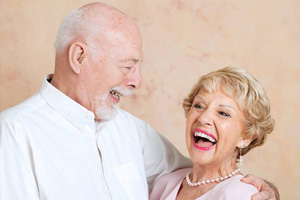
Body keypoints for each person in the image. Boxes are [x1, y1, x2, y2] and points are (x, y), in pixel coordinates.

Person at [0, 2, 277, 200]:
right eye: (127, 66)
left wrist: (262, 189)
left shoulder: (130, 129)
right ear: (79, 57)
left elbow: (204, 174)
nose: (137, 82)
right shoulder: (14, 132)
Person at [150, 67, 279, 200]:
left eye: (223, 113)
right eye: (198, 106)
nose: (203, 118)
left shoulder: (243, 194)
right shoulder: (164, 184)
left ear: (246, 137)